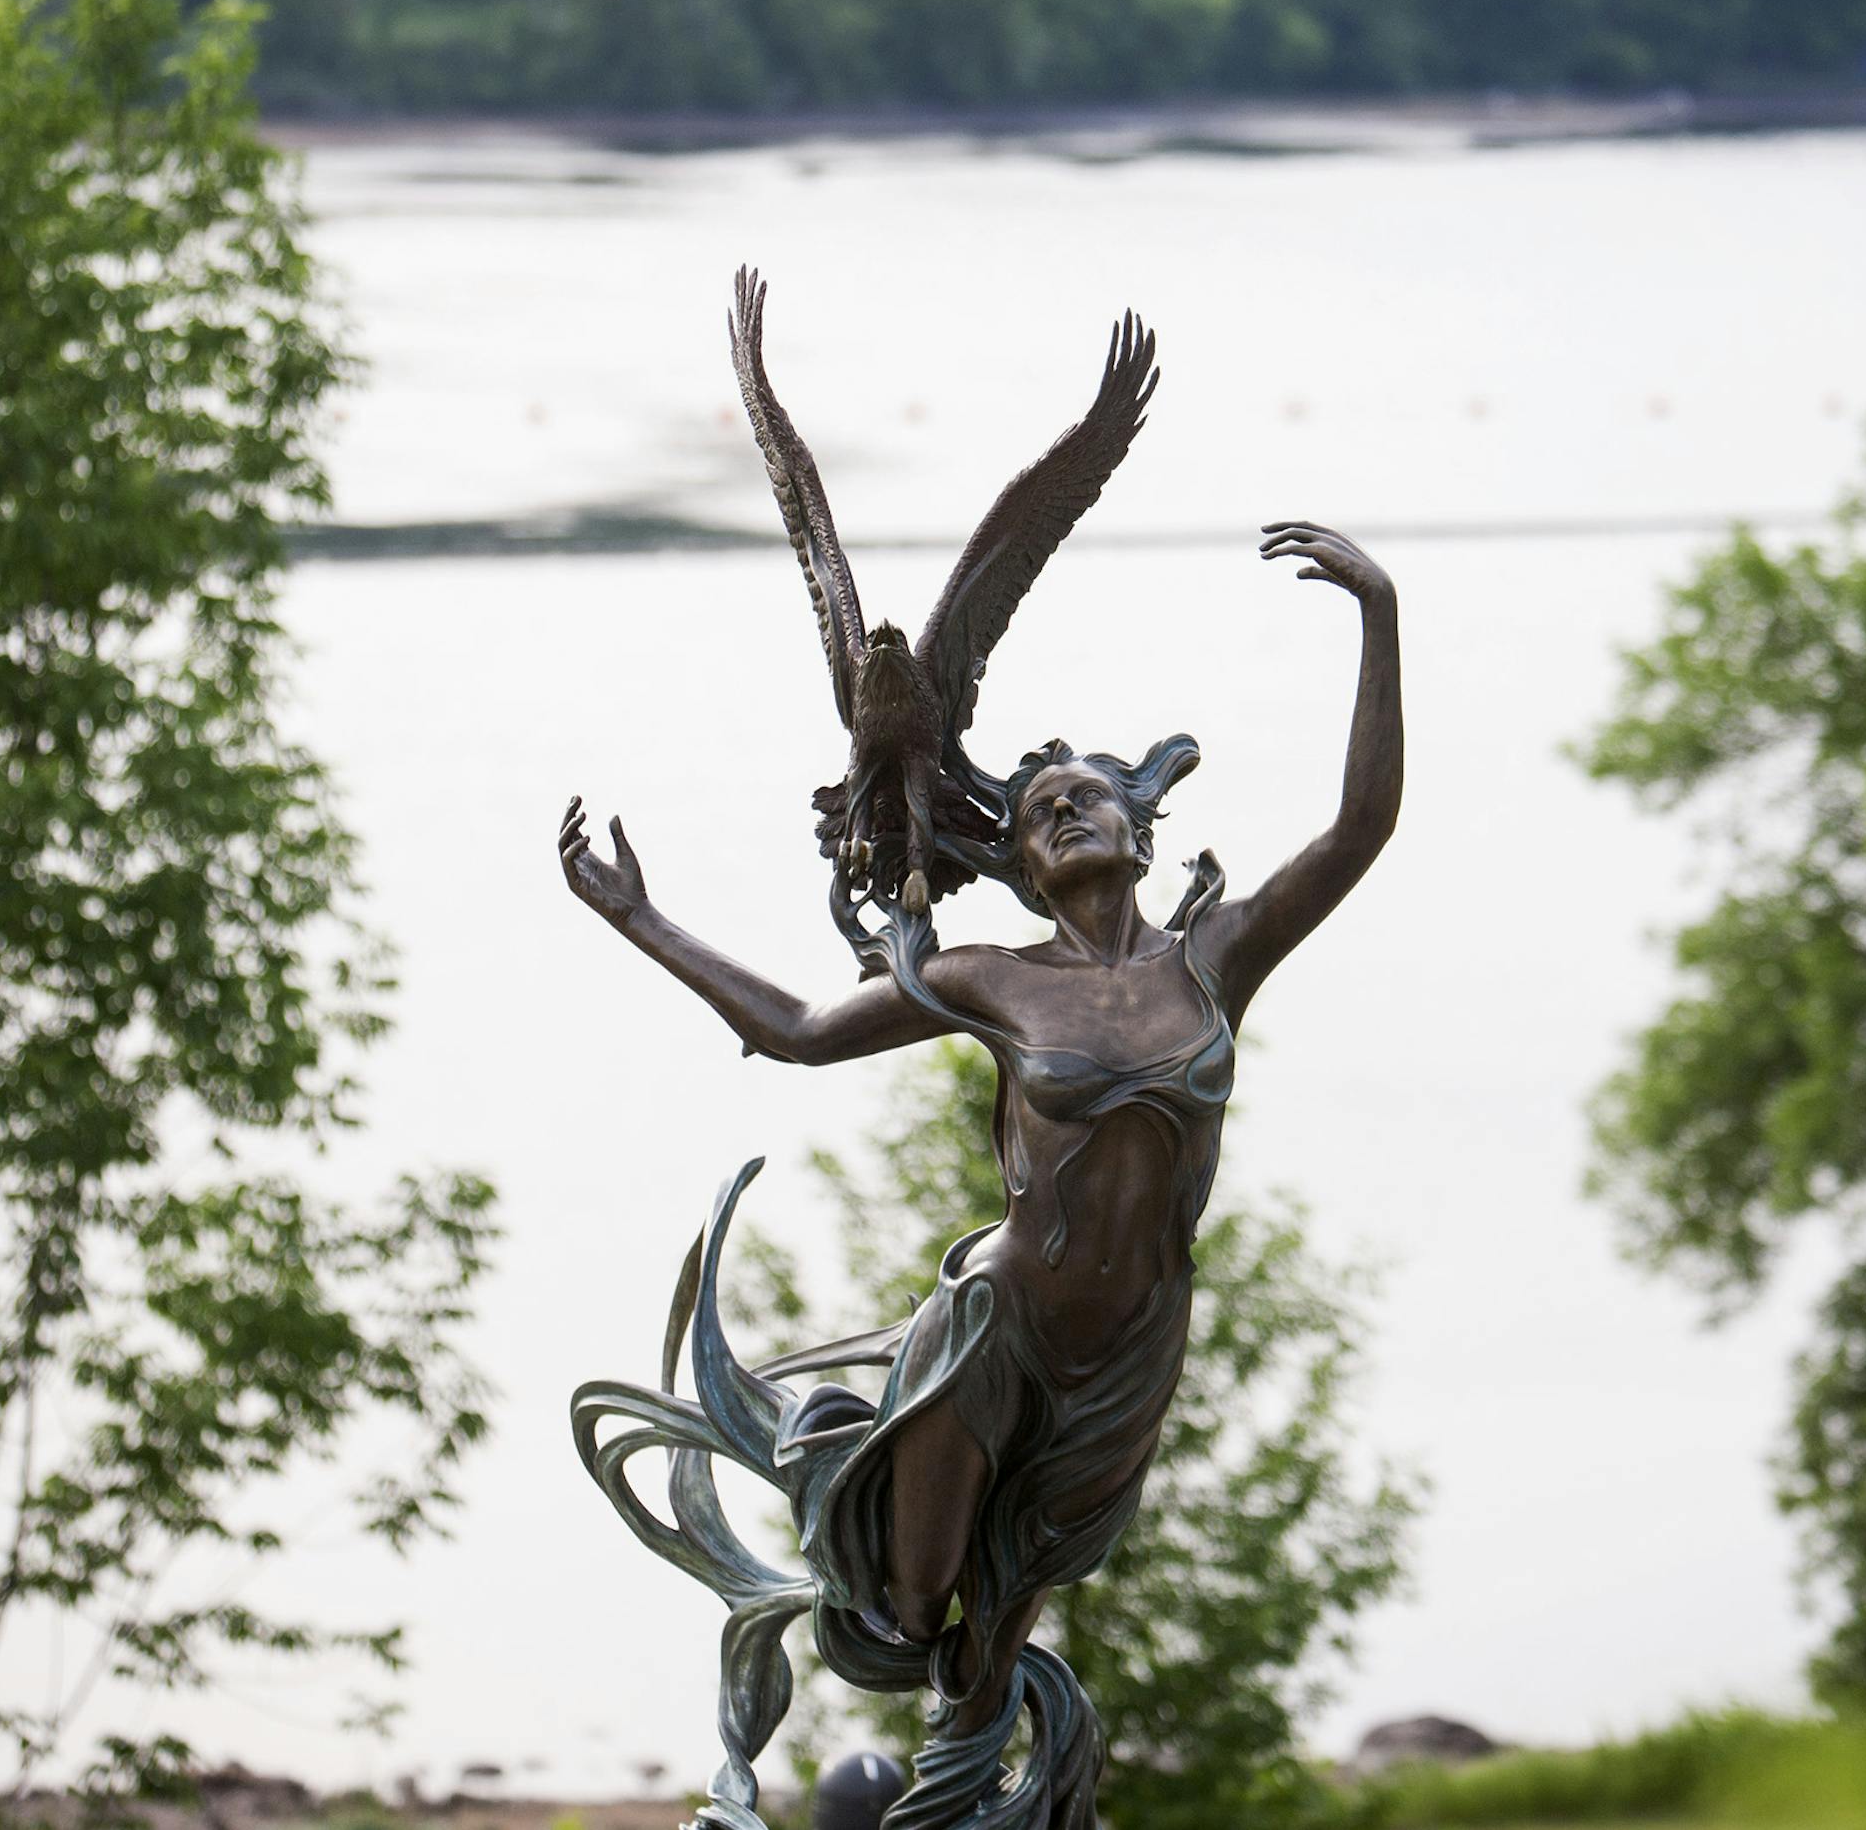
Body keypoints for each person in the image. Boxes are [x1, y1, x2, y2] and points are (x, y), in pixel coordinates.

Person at [561, 520, 1400, 1827]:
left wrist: (1378, 615)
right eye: (1033, 809)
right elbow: (790, 1030)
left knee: (985, 1654)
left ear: (1138, 822)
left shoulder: (1211, 958)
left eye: (1083, 793)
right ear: (1018, 859)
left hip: (1131, 1350)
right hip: (996, 1324)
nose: (1061, 807)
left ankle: (968, 1805)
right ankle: (863, 1541)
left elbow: (1360, 825)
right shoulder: (992, 978)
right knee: (909, 1605)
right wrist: (637, 916)